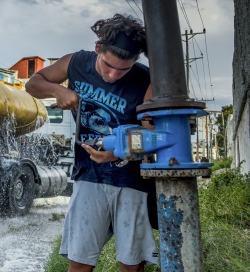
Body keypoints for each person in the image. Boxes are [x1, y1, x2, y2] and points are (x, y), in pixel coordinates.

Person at [25, 14, 159, 272]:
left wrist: (119, 154)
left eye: (123, 69)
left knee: (132, 264)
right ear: (98, 49)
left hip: (131, 180)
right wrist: (59, 90)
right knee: (79, 261)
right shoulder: (76, 62)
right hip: (88, 175)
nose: (112, 75)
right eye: (108, 65)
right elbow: (33, 83)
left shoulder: (145, 80)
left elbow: (151, 136)